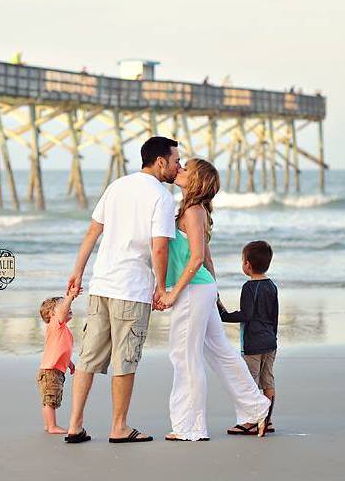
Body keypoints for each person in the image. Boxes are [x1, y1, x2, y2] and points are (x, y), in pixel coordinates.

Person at [64, 136, 180, 444]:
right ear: (160, 162)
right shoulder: (162, 196)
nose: (178, 167)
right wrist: (161, 287)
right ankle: (119, 427)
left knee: (88, 358)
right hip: (132, 288)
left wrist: (77, 272)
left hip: (102, 285)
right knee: (125, 359)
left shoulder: (117, 186)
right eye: (176, 161)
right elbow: (159, 247)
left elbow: (92, 232)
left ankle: (74, 425)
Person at [158, 159, 271, 441]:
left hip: (193, 290)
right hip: (202, 289)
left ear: (197, 181)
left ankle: (190, 427)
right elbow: (207, 258)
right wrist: (214, 294)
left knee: (185, 357)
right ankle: (256, 408)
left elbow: (197, 258)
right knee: (220, 352)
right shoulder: (193, 209)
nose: (180, 169)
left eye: (186, 169)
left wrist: (173, 293)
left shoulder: (193, 211)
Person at [217, 241, 278, 434]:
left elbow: (247, 315)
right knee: (268, 382)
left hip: (253, 344)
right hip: (270, 342)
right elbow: (274, 316)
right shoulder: (272, 286)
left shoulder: (249, 287)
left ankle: (252, 421)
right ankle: (267, 421)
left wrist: (223, 313)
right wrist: (273, 338)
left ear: (247, 265)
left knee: (249, 383)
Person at [37, 287, 79, 434]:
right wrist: (70, 297)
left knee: (52, 397)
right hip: (51, 371)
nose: (68, 308)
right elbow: (62, 313)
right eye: (63, 306)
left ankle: (48, 424)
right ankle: (51, 426)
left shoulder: (63, 328)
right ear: (52, 314)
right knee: (50, 399)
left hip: (56, 370)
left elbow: (62, 350)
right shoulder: (55, 324)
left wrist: (70, 364)